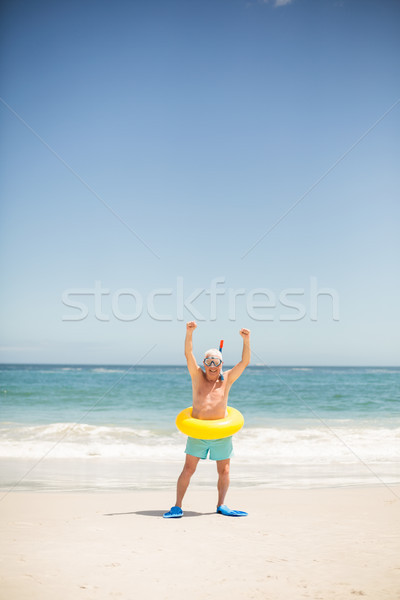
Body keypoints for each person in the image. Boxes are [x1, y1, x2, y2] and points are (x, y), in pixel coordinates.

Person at [163, 321, 251, 518]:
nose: (212, 366)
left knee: (225, 470)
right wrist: (189, 333)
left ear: (221, 364)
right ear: (204, 364)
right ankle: (177, 506)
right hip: (198, 433)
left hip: (221, 434)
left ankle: (221, 505)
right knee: (188, 469)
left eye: (216, 362)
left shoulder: (227, 379)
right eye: (209, 362)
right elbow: (188, 354)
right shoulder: (197, 377)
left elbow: (244, 362)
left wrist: (246, 340)